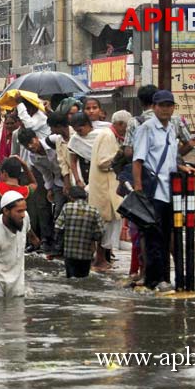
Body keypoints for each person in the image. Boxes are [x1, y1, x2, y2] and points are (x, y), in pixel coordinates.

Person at [132, 90, 195, 291]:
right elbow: (138, 160)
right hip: (152, 192)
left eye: (169, 105)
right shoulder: (146, 128)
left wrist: (181, 167)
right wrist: (139, 189)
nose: (166, 109)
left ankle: (165, 279)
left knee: (168, 235)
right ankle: (155, 280)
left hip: (170, 192)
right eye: (162, 105)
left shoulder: (171, 129)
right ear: (154, 107)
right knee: (154, 239)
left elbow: (169, 158)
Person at [89, 110, 130, 268]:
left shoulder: (111, 135)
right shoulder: (107, 136)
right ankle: (100, 259)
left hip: (108, 186)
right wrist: (121, 155)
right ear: (119, 124)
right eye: (125, 128)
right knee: (105, 224)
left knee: (110, 222)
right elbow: (103, 162)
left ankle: (104, 258)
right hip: (104, 187)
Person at [17, 128, 66, 253]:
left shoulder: (53, 140)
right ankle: (57, 243)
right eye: (26, 145)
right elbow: (46, 173)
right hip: (58, 182)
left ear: (36, 138)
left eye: (31, 142)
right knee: (58, 212)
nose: (30, 146)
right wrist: (49, 189)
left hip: (73, 177)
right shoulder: (33, 157)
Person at [0, 191, 38, 298]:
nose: (23, 214)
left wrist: (34, 238)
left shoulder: (24, 217)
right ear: (6, 211)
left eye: (24, 210)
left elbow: (28, 228)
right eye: (19, 211)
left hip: (17, 279)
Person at [123, 84, 194, 160]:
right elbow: (190, 144)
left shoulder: (134, 122)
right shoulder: (176, 120)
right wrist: (172, 157)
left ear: (141, 103)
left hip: (144, 169)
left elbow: (128, 153)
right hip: (170, 169)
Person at [55, 186, 104, 277]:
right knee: (84, 278)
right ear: (86, 197)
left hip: (69, 253)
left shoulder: (67, 207)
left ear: (70, 197)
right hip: (86, 254)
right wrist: (92, 239)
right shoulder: (94, 211)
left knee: (71, 279)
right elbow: (100, 232)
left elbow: (58, 227)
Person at [68, 112, 99, 188]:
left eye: (80, 130)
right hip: (86, 174)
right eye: (76, 131)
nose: (78, 133)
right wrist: (78, 180)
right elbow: (73, 162)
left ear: (87, 124)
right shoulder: (75, 139)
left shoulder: (100, 135)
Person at [47, 111, 75, 195]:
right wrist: (66, 183)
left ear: (58, 126)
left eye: (51, 127)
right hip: (71, 177)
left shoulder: (76, 134)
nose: (51, 130)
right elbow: (62, 162)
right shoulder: (58, 140)